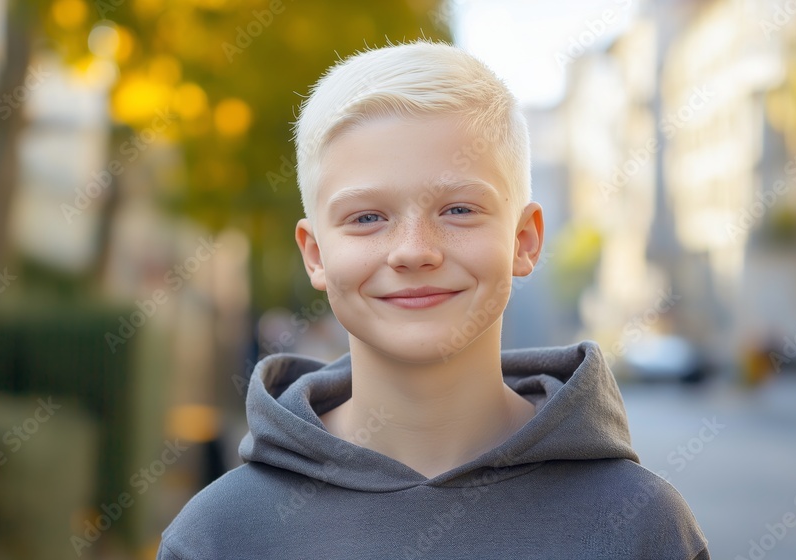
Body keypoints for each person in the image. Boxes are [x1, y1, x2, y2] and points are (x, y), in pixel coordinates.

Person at [158, 40, 709, 559]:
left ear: (524, 240)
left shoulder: (643, 526)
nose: (414, 251)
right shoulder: (218, 537)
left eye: (459, 210)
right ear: (316, 255)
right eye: (367, 217)